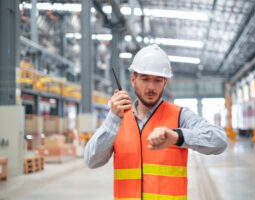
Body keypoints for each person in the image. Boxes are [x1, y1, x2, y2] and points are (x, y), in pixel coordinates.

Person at [84, 44, 228, 200]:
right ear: (133, 80)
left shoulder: (180, 115)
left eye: (157, 80)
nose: (151, 87)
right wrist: (113, 119)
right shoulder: (117, 120)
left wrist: (178, 137)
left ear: (164, 83)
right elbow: (91, 160)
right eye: (145, 79)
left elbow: (220, 140)